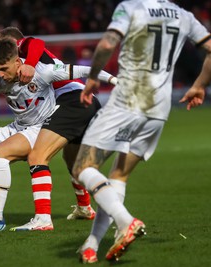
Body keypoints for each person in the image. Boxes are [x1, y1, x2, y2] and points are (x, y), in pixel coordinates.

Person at [0, 37, 117, 235]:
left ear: (18, 62)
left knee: (1, 153)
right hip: (19, 126)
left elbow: (84, 70)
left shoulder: (41, 71)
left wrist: (115, 81)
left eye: (3, 68)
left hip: (41, 127)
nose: (0, 74)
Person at [71, 0, 211, 263]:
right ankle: (92, 244)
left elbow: (107, 44)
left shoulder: (131, 7)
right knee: (119, 176)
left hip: (128, 101)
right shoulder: (184, 15)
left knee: (82, 168)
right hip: (158, 108)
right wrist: (200, 85)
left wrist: (92, 78)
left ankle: (125, 222)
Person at [0, 27, 110, 231]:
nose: (4, 49)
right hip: (83, 101)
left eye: (6, 45)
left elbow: (35, 42)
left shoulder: (28, 50)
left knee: (37, 156)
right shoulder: (29, 63)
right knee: (73, 161)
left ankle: (43, 219)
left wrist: (28, 64)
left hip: (71, 100)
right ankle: (86, 207)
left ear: (15, 43)